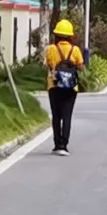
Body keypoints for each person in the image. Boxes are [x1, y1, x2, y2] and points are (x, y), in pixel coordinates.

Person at [45, 19, 84, 156]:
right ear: (70, 36)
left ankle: (57, 144)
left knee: (56, 116)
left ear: (56, 35)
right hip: (71, 88)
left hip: (54, 86)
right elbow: (81, 66)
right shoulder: (76, 50)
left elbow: (48, 65)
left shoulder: (50, 49)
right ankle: (64, 145)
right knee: (67, 116)